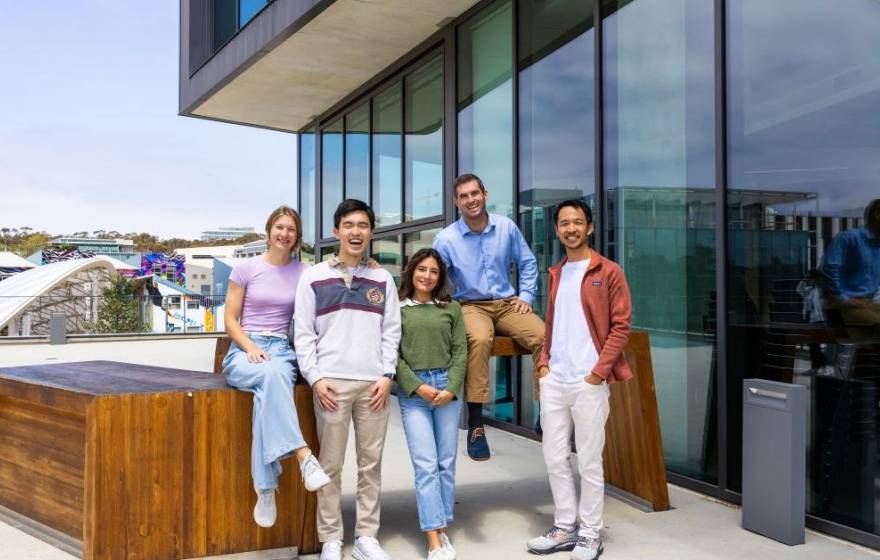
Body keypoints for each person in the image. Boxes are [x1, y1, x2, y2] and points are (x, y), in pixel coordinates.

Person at [294, 199, 401, 560]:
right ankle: (331, 540)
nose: (356, 232)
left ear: (371, 232)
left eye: (363, 225)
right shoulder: (313, 276)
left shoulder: (382, 278)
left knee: (371, 464)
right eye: (349, 225)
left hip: (374, 386)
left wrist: (387, 376)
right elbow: (303, 333)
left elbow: (392, 333)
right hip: (331, 385)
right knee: (331, 465)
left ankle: (367, 537)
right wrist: (315, 377)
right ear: (336, 231)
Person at [526, 200, 632, 560]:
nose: (570, 228)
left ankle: (590, 532)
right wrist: (543, 365)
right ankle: (565, 526)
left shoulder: (608, 270)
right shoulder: (556, 273)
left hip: (588, 382)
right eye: (564, 223)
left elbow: (621, 327)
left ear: (589, 227)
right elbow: (552, 325)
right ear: (556, 229)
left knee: (588, 460)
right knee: (554, 457)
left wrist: (597, 373)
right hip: (556, 379)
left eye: (577, 222)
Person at [221, 205, 331, 528]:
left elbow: (339, 274)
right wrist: (250, 347)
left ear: (297, 237)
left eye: (291, 229)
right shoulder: (246, 268)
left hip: (281, 351)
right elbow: (230, 318)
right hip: (245, 350)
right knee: (269, 378)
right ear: (269, 231)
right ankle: (303, 457)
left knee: (267, 390)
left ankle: (266, 489)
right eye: (279, 227)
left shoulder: (304, 272)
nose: (284, 233)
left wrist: (369, 262)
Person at [432, 173, 544, 461]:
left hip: (508, 303)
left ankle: (547, 410)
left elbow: (528, 262)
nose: (471, 200)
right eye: (464, 196)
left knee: (544, 337)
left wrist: (526, 296)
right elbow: (433, 276)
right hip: (471, 305)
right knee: (479, 339)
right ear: (457, 202)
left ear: (485, 193)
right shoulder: (446, 239)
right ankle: (477, 423)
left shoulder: (506, 227)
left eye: (474, 193)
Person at [395, 248, 467, 560]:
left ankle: (443, 527)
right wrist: (418, 386)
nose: (427, 275)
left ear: (440, 277)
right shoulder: (398, 309)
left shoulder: (451, 308)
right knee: (426, 465)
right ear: (411, 272)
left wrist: (451, 388)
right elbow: (392, 355)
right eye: (421, 269)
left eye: (433, 271)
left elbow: (461, 350)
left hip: (447, 390)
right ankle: (433, 540)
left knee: (445, 463)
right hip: (415, 395)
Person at [820, 198, 880, 339]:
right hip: (841, 306)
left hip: (865, 303)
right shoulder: (849, 238)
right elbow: (830, 267)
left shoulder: (878, 246)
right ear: (878, 214)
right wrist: (844, 299)